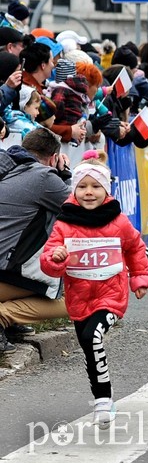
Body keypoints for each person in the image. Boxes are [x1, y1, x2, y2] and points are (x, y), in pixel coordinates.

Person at [40, 150, 148, 428]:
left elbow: (135, 247)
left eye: (96, 186)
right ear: (74, 190)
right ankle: (104, 398)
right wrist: (56, 259)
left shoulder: (119, 221)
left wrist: (139, 277)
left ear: (106, 190)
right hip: (79, 298)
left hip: (111, 296)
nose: (89, 192)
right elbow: (49, 259)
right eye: (82, 186)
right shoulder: (65, 223)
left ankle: (102, 401)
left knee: (93, 336)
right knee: (89, 347)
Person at [0, 128, 71, 353]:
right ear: (53, 158)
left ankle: (11, 320)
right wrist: (64, 174)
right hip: (4, 272)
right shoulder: (43, 176)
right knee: (79, 302)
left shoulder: (8, 166)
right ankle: (4, 316)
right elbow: (79, 208)